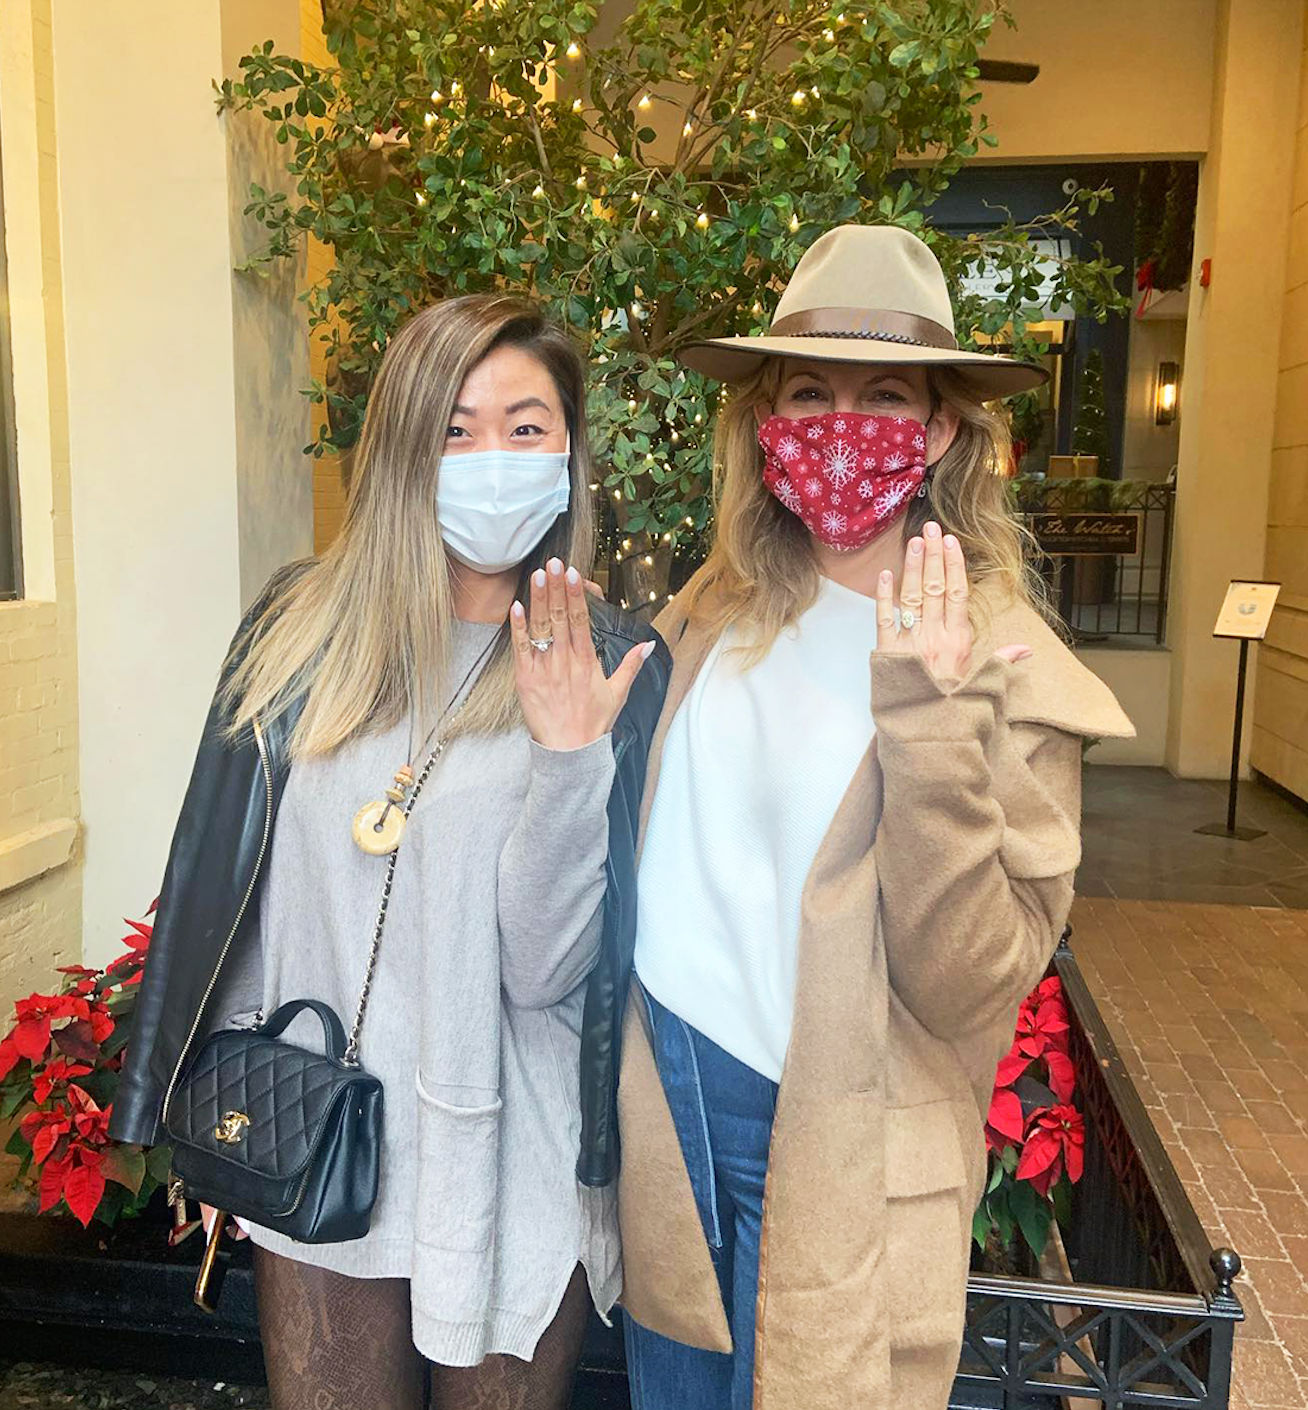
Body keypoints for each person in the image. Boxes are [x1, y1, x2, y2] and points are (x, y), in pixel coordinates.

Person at [109, 295, 671, 1410]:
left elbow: (545, 972)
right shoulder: (297, 632)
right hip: (316, 1142)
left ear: (568, 452)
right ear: (405, 445)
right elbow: (241, 890)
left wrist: (569, 759)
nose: (493, 457)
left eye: (526, 427)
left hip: (513, 1167)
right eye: (456, 428)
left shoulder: (607, 660)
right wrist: (219, 1111)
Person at [617, 225, 1134, 1410]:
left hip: (838, 1144)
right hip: (668, 1103)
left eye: (886, 396)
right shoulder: (719, 606)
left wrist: (928, 719)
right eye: (811, 392)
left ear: (941, 429)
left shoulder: (1005, 667)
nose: (842, 424)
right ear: (766, 418)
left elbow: (969, 983)